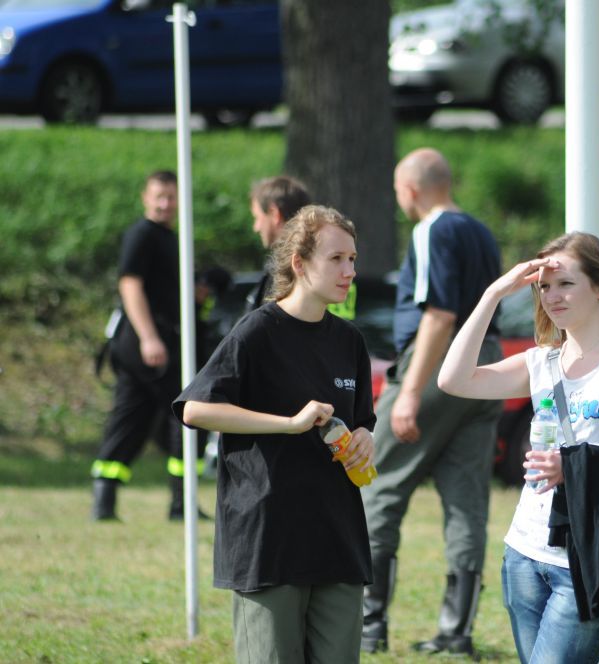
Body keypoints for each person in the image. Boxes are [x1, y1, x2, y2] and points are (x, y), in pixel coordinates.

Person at [437, 231, 599, 663]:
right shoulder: (542, 360)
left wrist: (577, 466)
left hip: (592, 553)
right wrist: (494, 293)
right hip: (523, 552)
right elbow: (453, 380)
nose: (552, 297)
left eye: (566, 284)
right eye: (544, 287)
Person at [172, 205, 375, 664]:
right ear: (299, 264)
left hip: (337, 539)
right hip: (270, 541)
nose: (350, 271)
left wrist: (365, 437)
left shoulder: (349, 340)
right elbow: (195, 409)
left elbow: (363, 421)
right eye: (337, 259)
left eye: (352, 259)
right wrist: (287, 424)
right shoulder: (257, 331)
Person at [360, 147, 503, 656]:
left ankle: (369, 627)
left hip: (442, 365)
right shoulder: (479, 230)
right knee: (466, 501)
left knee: (376, 488)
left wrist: (410, 393)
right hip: (486, 367)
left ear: (412, 189)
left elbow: (439, 315)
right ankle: (456, 631)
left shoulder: (432, 230)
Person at [90, 170, 205, 521]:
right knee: (187, 411)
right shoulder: (142, 234)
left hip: (153, 342)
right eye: (159, 196)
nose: (165, 203)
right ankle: (180, 504)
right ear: (145, 197)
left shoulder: (169, 237)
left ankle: (104, 503)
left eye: (171, 197)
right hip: (147, 343)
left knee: (131, 419)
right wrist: (149, 337)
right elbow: (130, 286)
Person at [247, 175, 356, 320]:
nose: (256, 227)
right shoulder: (338, 273)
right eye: (336, 258)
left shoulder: (284, 272)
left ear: (274, 214)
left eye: (257, 217)